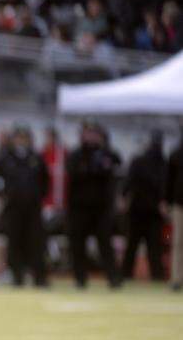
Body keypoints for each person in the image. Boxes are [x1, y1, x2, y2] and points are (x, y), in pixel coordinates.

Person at [0, 124, 49, 288]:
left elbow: (45, 181)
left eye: (24, 138)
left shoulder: (36, 157)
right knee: (14, 241)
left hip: (33, 206)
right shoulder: (6, 157)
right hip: (13, 206)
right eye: (18, 138)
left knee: (35, 241)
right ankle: (17, 276)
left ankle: (39, 276)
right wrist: (1, 194)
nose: (21, 141)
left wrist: (38, 196)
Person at [66, 121, 123, 289]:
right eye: (88, 133)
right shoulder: (76, 155)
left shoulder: (108, 154)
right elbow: (74, 175)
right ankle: (80, 278)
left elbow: (114, 173)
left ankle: (113, 278)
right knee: (78, 244)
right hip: (79, 208)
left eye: (94, 133)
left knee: (105, 243)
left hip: (101, 208)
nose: (91, 136)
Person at [121, 130, 168, 281]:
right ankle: (154, 275)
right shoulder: (160, 163)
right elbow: (128, 183)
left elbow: (127, 183)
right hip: (145, 210)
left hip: (145, 210)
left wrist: (124, 197)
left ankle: (129, 274)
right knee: (147, 246)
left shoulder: (150, 162)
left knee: (144, 246)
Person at [167, 133, 183, 292]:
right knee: (178, 242)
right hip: (180, 204)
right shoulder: (177, 154)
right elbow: (169, 180)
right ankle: (177, 278)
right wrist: (167, 201)